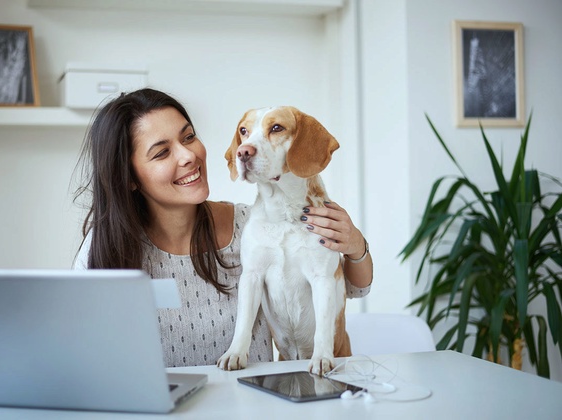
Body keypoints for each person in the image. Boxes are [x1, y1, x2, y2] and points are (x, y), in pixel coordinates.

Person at [73, 88, 373, 368]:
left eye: (188, 137)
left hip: (254, 402)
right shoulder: (106, 248)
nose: (188, 155)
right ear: (130, 178)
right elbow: (83, 352)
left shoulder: (252, 225)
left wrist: (356, 247)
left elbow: (350, 289)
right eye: (162, 152)